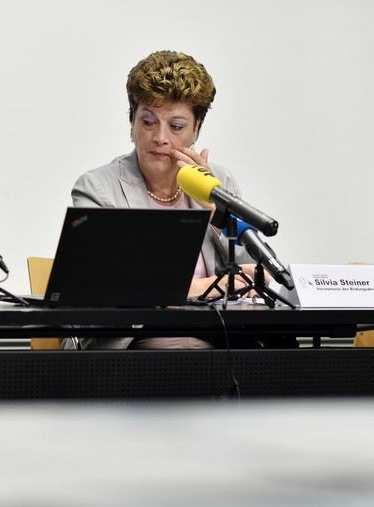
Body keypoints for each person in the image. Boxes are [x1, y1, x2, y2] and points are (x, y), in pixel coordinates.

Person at [71, 50, 260, 350]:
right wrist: (205, 287)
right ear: (132, 122)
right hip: (128, 357)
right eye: (148, 122)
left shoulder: (220, 183)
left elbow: (255, 276)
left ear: (196, 129)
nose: (160, 137)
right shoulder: (98, 189)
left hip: (217, 351)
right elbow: (104, 294)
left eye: (175, 126)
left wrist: (212, 211)